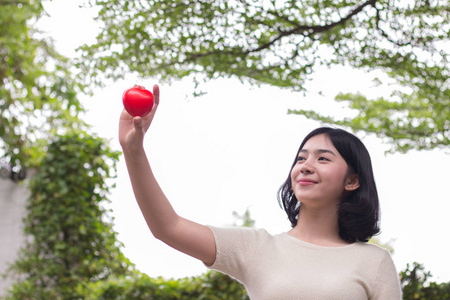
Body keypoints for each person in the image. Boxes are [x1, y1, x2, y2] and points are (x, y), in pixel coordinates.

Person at [118, 84, 402, 299]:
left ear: (351, 181)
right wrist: (133, 152)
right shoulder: (256, 248)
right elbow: (168, 227)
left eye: (323, 158)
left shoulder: (374, 263)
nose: (305, 166)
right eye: (301, 158)